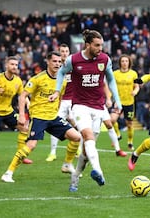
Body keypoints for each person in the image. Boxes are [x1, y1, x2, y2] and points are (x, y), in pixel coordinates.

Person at [50, 29, 123, 192]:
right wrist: (56, 91)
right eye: (97, 45)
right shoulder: (73, 60)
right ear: (88, 45)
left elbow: (110, 79)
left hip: (98, 107)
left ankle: (75, 178)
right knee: (88, 136)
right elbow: (61, 72)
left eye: (101, 45)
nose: (100, 48)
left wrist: (117, 100)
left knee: (85, 151)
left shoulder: (105, 59)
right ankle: (99, 171)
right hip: (80, 106)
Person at [0, 51, 81, 183]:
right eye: (54, 61)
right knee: (31, 145)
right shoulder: (37, 78)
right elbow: (22, 96)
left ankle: (67, 164)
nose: (57, 64)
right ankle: (8, 173)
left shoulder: (63, 80)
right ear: (47, 62)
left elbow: (59, 97)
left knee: (76, 137)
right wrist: (22, 115)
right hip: (38, 117)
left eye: (59, 62)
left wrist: (59, 112)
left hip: (53, 117)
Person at [110, 54, 140, 151]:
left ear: (129, 62)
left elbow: (137, 86)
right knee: (112, 120)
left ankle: (130, 142)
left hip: (129, 103)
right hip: (118, 102)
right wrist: (110, 97)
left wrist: (135, 91)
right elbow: (111, 86)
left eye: (126, 61)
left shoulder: (133, 74)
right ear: (120, 63)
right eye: (122, 61)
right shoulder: (115, 74)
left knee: (129, 124)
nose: (124, 63)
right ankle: (118, 135)